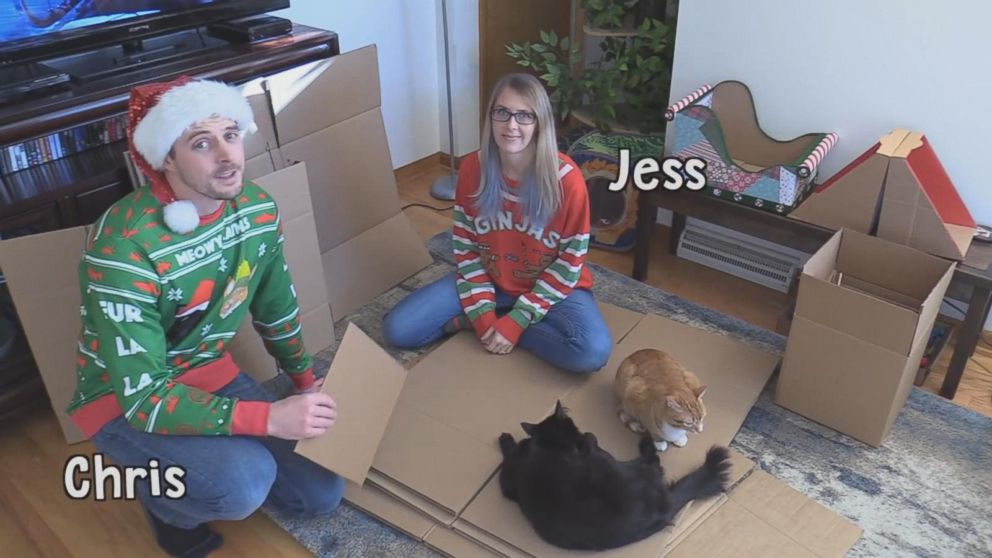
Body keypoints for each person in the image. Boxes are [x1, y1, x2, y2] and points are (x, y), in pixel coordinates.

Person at [66, 76, 343, 558]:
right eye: (201, 142)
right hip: (123, 398)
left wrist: (303, 380)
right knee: (242, 485)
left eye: (231, 135)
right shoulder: (123, 246)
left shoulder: (256, 209)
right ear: (165, 158)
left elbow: (276, 304)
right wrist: (267, 418)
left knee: (320, 494)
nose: (227, 155)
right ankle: (165, 503)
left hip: (207, 372)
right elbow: (145, 396)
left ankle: (207, 465)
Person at [383, 73, 612, 373]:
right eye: (502, 112)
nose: (511, 125)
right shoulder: (472, 169)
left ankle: (497, 320)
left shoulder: (567, 181)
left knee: (592, 353)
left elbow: (570, 263)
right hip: (491, 279)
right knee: (398, 330)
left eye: (524, 115)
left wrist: (516, 323)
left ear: (540, 122)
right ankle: (484, 318)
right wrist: (484, 318)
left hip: (551, 288)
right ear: (490, 117)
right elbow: (466, 247)